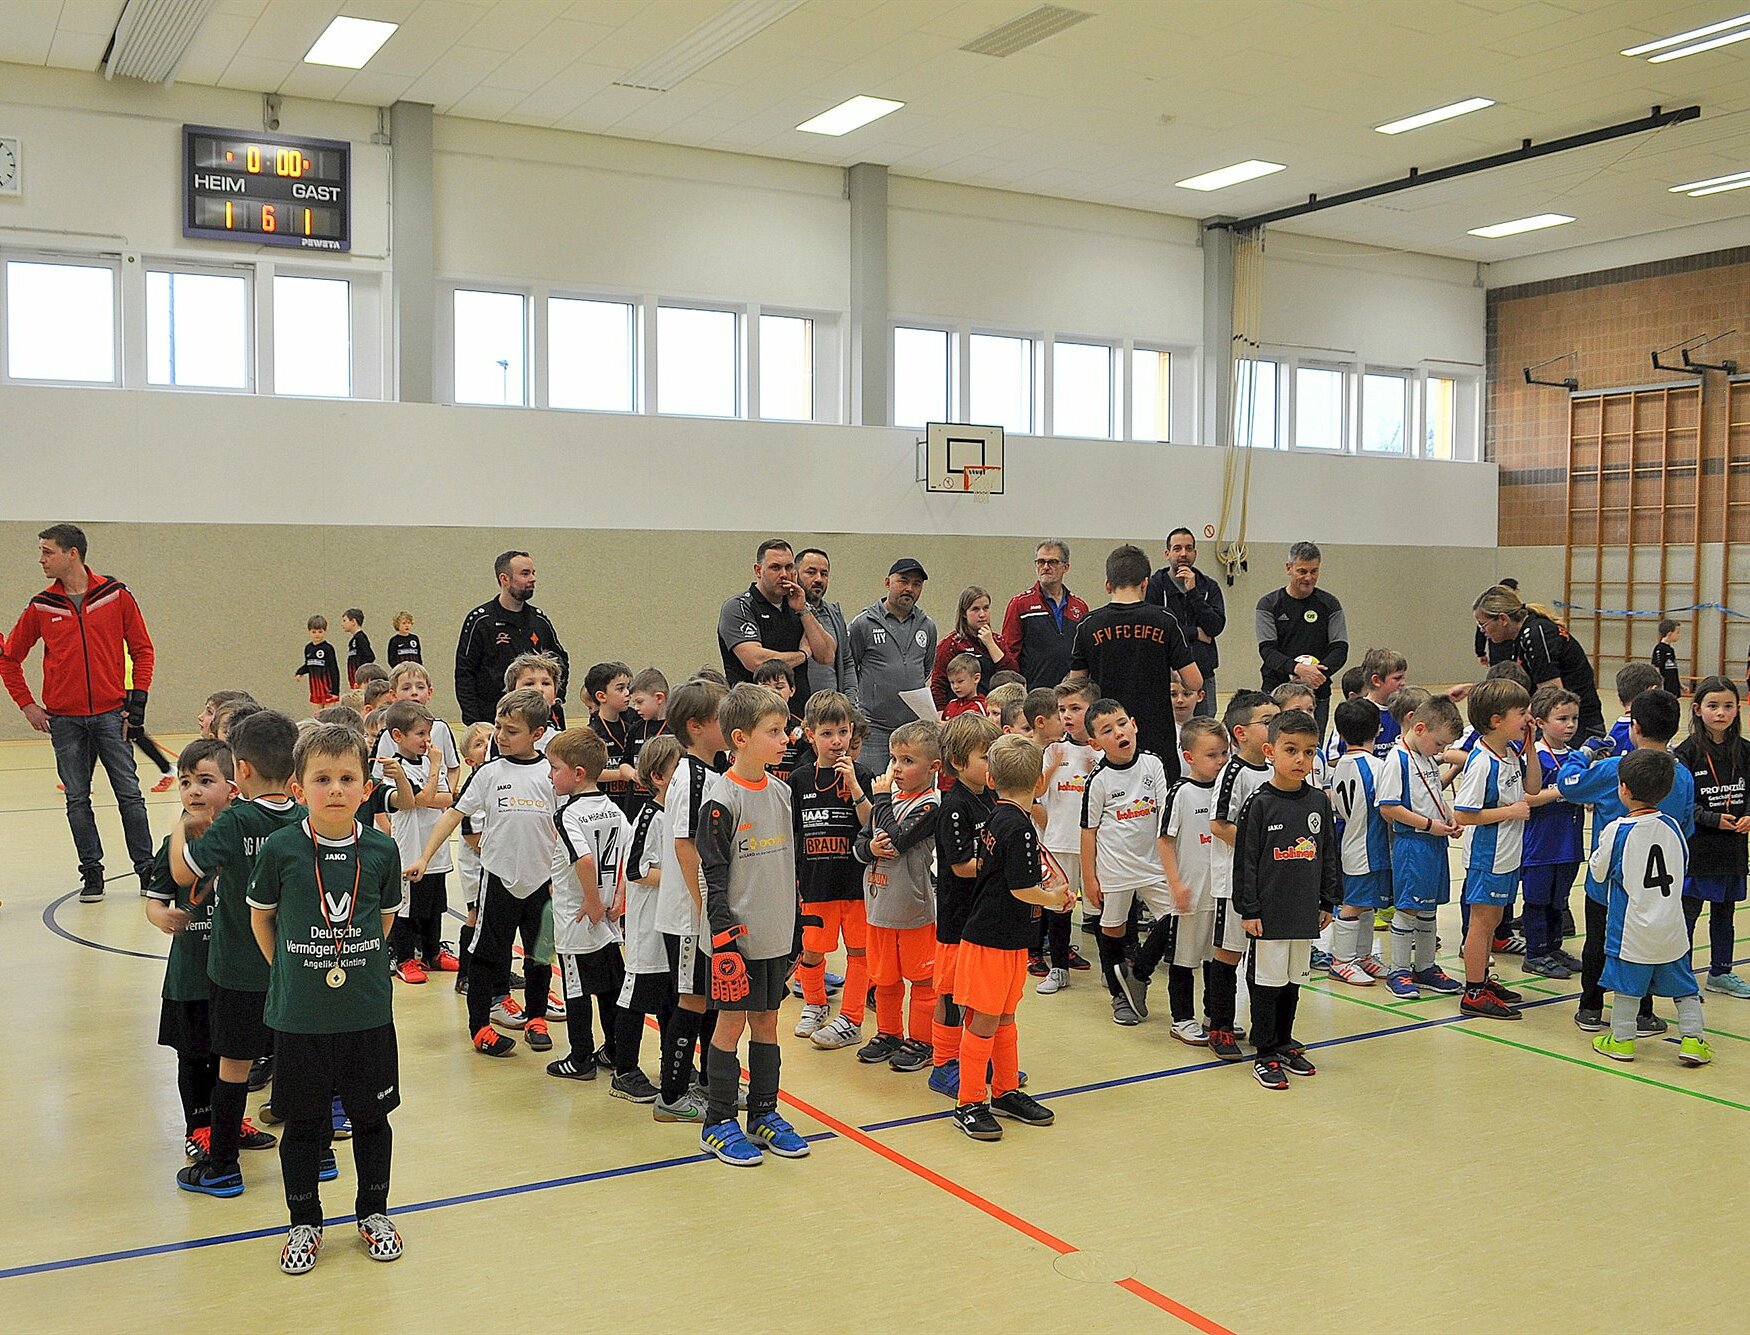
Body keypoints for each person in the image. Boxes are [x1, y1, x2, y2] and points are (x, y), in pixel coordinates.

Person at [248, 723, 404, 1274]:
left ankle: (373, 1212)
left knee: (372, 1118)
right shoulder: (281, 848)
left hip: (365, 1013)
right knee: (303, 1123)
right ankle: (304, 1221)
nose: (335, 789)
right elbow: (261, 919)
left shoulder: (381, 850)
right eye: (322, 779)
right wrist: (292, 972)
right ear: (298, 788)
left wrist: (349, 960)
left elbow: (383, 921)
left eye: (346, 778)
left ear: (366, 788)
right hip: (301, 1017)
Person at [169, 709, 306, 1198]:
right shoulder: (304, 818)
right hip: (294, 967)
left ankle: (223, 1166)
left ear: (241, 770)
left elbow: (183, 874)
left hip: (238, 970)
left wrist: (183, 827)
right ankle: (318, 1156)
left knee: (233, 1066)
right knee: (297, 1061)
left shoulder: (236, 820)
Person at [2, 523, 158, 898]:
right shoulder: (41, 605)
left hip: (111, 715)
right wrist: (27, 705)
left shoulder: (115, 595)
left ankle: (147, 870)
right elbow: (9, 658)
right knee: (77, 799)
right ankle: (92, 873)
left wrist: (136, 705)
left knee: (130, 795)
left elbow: (143, 650)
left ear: (72, 553)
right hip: (65, 722)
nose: (41, 559)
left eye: (47, 552)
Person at [406, 688, 557, 1057]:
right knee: (488, 954)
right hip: (499, 880)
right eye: (499, 728)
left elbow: (563, 829)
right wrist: (425, 857)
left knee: (540, 956)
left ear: (537, 734)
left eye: (511, 731)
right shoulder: (489, 773)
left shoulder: (551, 774)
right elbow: (453, 816)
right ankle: (480, 1027)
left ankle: (536, 1018)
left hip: (541, 883)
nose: (500, 737)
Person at [696, 684, 810, 1166]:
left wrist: (796, 930)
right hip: (735, 944)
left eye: (784, 730)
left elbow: (790, 868)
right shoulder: (720, 799)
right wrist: (724, 941)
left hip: (774, 936)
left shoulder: (782, 793)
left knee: (767, 1021)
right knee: (731, 1023)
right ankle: (719, 1121)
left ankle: (764, 1112)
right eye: (774, 731)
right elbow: (712, 876)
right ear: (740, 738)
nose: (785, 739)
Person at [1557, 688, 1694, 1033]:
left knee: (1598, 943)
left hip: (1607, 883)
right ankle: (1643, 1013)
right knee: (1644, 947)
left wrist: (1582, 754)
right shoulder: (1682, 776)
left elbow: (1569, 785)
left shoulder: (1616, 769)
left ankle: (1591, 1007)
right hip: (1654, 889)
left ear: (1635, 727)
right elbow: (1686, 827)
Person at [950, 733, 1066, 1141]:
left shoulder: (999, 817)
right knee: (984, 1020)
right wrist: (1054, 898)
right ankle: (968, 1102)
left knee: (1004, 1017)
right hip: (990, 940)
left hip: (1010, 938)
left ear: (992, 779)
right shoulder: (1018, 827)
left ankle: (1004, 1091)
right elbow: (1021, 888)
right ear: (1039, 782)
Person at [146, 739, 257, 1166]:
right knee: (194, 1057)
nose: (193, 790)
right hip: (190, 978)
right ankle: (199, 1127)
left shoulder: (244, 838)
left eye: (205, 781)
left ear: (233, 787)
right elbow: (155, 901)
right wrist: (163, 917)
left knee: (230, 1053)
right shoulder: (173, 846)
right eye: (185, 781)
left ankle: (229, 1122)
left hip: (233, 973)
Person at [1234, 709, 1339, 1090]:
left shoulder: (1318, 801)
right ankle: (1264, 1051)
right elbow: (1245, 862)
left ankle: (1283, 1040)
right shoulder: (1259, 803)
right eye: (1291, 750)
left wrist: (1327, 901)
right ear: (1270, 752)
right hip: (1269, 915)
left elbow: (1327, 853)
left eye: (1309, 752)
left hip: (1303, 912)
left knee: (1293, 981)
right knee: (1267, 983)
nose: (1300, 759)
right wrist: (1249, 909)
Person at [1587, 750, 1712, 1068]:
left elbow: (1598, 872)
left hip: (1631, 928)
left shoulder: (1617, 831)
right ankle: (1694, 1040)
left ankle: (1622, 1040)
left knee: (1627, 987)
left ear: (1624, 788)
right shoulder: (1673, 826)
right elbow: (1683, 864)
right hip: (1671, 925)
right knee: (1685, 987)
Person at [651, 678, 728, 1124]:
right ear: (696, 726)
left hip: (702, 914)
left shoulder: (712, 772)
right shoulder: (690, 776)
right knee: (692, 1000)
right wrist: (703, 907)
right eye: (721, 718)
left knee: (710, 999)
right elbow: (685, 844)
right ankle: (672, 1096)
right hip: (688, 917)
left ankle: (706, 1081)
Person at [1079, 698, 1177, 1027]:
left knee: (1177, 917)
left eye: (1122, 724)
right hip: (1115, 868)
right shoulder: (1098, 780)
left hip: (1153, 864)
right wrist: (1089, 878)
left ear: (1134, 725)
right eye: (1107, 730)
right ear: (1095, 743)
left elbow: (1165, 815)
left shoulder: (1152, 764)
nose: (1119, 732)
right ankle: (1119, 997)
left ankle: (1138, 973)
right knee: (1113, 928)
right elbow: (1088, 832)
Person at [1067, 544, 1201, 782]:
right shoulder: (1165, 620)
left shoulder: (1088, 624)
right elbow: (1194, 682)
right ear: (1145, 583)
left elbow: (1076, 686)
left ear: (1108, 585)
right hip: (1156, 736)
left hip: (1107, 735)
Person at [1135, 715, 1229, 1042]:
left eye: (1224, 753)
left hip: (1220, 892)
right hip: (1191, 894)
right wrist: (1175, 884)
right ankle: (1182, 1018)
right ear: (1189, 757)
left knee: (1215, 959)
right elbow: (1164, 841)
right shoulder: (1181, 793)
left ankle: (1214, 1015)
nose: (1220, 760)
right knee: (1184, 959)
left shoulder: (1226, 790)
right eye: (1212, 755)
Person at [856, 719, 943, 1072]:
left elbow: (900, 838)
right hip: (879, 907)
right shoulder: (889, 800)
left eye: (908, 761)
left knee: (922, 981)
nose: (896, 769)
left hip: (913, 911)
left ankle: (923, 1040)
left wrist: (879, 801)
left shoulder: (931, 805)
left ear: (933, 767)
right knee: (885, 980)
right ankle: (889, 1033)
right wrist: (870, 848)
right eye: (894, 760)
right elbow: (861, 844)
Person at [789, 691, 875, 1050]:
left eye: (842, 732)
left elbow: (872, 825)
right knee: (812, 951)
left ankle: (852, 1018)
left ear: (851, 730)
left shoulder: (864, 775)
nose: (836, 741)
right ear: (811, 735)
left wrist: (854, 787)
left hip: (856, 885)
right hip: (816, 884)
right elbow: (793, 833)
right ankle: (815, 1004)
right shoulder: (799, 779)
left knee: (859, 953)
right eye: (827, 733)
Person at [545, 727, 630, 1082]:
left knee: (577, 989)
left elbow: (584, 860)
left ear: (578, 773)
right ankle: (614, 1048)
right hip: (609, 916)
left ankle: (580, 1058)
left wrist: (592, 902)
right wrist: (618, 898)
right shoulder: (612, 809)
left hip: (577, 918)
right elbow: (628, 854)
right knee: (610, 986)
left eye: (555, 768)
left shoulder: (568, 815)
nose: (550, 775)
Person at [1453, 679, 1540, 1020]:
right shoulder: (1482, 762)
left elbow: (1533, 787)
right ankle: (1474, 991)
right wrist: (1509, 812)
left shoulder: (1510, 753)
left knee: (1496, 918)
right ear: (1496, 720)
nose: (1528, 719)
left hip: (1507, 852)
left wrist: (1531, 748)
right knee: (1482, 921)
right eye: (1521, 713)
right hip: (1487, 855)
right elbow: (1463, 814)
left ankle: (1483, 979)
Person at [1375, 692, 1464, 999]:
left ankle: (1425, 967)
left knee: (1428, 907)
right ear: (1420, 728)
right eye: (1439, 744)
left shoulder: (1426, 758)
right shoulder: (1397, 759)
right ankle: (1398, 970)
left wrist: (1449, 818)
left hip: (1434, 842)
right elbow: (1389, 807)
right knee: (1409, 907)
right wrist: (1428, 825)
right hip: (1413, 844)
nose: (1442, 750)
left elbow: (1433, 794)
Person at [930, 712, 1001, 1100]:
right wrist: (1004, 866)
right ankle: (943, 1063)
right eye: (985, 756)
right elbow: (960, 865)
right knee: (950, 994)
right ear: (958, 762)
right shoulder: (954, 806)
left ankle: (975, 1057)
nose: (992, 763)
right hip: (957, 917)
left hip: (983, 916)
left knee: (978, 994)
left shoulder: (992, 799)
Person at [611, 734, 683, 1103]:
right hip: (648, 926)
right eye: (678, 770)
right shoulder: (650, 817)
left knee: (673, 998)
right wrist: (682, 879)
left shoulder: (681, 815)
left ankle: (672, 1063)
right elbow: (637, 870)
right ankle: (624, 1070)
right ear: (658, 776)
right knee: (637, 998)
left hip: (674, 923)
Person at [1207, 691, 1278, 1059]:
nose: (1276, 726)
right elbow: (1219, 824)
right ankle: (1219, 1024)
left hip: (1268, 881)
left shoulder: (1276, 769)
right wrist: (1259, 850)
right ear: (1241, 732)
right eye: (1267, 721)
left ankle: (1265, 1028)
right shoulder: (1233, 772)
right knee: (1228, 953)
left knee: (1262, 956)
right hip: (1233, 882)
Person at [1673, 677, 1750, 999]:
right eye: (1713, 706)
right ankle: (1682, 977)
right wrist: (1712, 818)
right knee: (1688, 915)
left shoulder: (1745, 751)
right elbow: (1683, 803)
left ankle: (1721, 972)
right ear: (1697, 709)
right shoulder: (1686, 753)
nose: (1721, 713)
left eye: (1728, 706)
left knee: (1725, 913)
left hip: (1732, 849)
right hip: (1699, 849)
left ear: (1738, 709)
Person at [376, 701, 455, 985]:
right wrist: (435, 768)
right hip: (410, 847)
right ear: (398, 736)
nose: (427, 740)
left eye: (429, 733)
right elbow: (420, 799)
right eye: (420, 734)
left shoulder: (429, 763)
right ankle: (405, 958)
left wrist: (430, 790)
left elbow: (447, 798)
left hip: (435, 848)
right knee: (407, 908)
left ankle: (433, 952)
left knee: (434, 904)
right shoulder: (395, 768)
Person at [1473, 585, 1605, 740]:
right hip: (1562, 721)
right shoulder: (1523, 635)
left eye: (1483, 624)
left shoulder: (1536, 635)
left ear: (1503, 619)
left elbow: (1553, 695)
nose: (1482, 631)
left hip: (1578, 725)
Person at [454, 551, 569, 725]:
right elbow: (465, 673)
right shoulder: (481, 620)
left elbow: (560, 662)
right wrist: (474, 721)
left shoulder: (539, 620)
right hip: (494, 718)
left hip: (538, 717)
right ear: (504, 579)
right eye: (525, 573)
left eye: (533, 573)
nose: (533, 579)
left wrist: (556, 697)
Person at [846, 558, 938, 771]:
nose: (910, 588)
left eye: (916, 584)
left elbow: (925, 669)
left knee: (912, 786)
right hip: (873, 729)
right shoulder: (863, 623)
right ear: (887, 583)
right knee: (871, 783)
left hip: (913, 729)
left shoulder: (928, 626)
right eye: (903, 581)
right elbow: (850, 668)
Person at [717, 539, 836, 699]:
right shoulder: (739, 607)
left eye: (789, 567)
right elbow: (756, 661)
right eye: (775, 567)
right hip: (752, 707)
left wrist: (803, 610)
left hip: (796, 708)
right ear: (758, 570)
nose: (784, 574)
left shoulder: (799, 605)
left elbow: (827, 655)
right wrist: (802, 655)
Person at [1326, 699, 1392, 987]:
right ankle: (1341, 961)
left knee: (1367, 904)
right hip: (1367, 846)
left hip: (1352, 842)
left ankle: (1362, 955)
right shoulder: (1378, 767)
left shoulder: (1339, 766)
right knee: (1353, 904)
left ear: (1341, 734)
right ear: (1378, 729)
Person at [1521, 686, 1587, 978]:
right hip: (1541, 844)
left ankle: (1553, 947)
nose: (1570, 725)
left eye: (1574, 718)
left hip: (1569, 843)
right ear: (1540, 722)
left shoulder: (1576, 757)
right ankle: (1535, 953)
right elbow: (1526, 797)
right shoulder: (1535, 756)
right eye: (1562, 719)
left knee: (1559, 900)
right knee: (1538, 899)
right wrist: (1563, 790)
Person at [1255, 541, 1347, 736]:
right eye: (1302, 571)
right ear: (1289, 568)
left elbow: (1340, 648)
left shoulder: (1330, 604)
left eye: (1314, 571)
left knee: (1312, 743)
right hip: (1277, 689)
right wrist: (1296, 669)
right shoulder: (1269, 604)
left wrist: (1316, 674)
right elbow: (1267, 650)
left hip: (1317, 690)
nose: (1308, 577)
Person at [1145, 528, 1226, 716]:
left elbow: (1215, 626)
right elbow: (1154, 627)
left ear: (1195, 553)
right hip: (1166, 674)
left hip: (1203, 673)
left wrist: (1193, 592)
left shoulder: (1209, 586)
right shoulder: (1155, 586)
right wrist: (1195, 633)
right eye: (1177, 548)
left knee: (1204, 726)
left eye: (1189, 548)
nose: (1183, 554)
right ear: (1167, 554)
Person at [999, 541, 1089, 690]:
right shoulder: (1020, 604)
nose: (1045, 567)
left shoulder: (1080, 607)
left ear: (1066, 567)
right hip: (1033, 692)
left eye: (1052, 562)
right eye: (1041, 562)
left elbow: (1084, 654)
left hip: (1070, 693)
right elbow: (1010, 653)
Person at [930, 586, 1019, 707]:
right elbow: (938, 684)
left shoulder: (997, 640)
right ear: (964, 613)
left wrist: (990, 643)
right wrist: (940, 711)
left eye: (986, 608)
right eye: (975, 609)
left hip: (991, 709)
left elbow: (1012, 676)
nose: (982, 614)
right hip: (961, 710)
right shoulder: (951, 644)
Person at [585, 661, 650, 819]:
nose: (628, 693)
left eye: (628, 687)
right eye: (620, 689)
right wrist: (622, 774)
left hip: (633, 803)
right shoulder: (592, 732)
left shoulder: (636, 721)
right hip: (607, 807)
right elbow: (590, 773)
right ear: (601, 696)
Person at [796, 547, 858, 697]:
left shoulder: (834, 613)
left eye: (824, 574)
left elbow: (847, 662)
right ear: (795, 574)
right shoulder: (785, 612)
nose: (818, 579)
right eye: (811, 572)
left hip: (831, 706)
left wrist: (849, 703)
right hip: (794, 705)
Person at [941, 653, 988, 720]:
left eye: (960, 681)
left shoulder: (979, 706)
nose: (955, 686)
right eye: (952, 682)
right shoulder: (951, 704)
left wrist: (945, 725)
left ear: (976, 678)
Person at [341, 609, 374, 689]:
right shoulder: (353, 640)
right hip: (353, 680)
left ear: (353, 621)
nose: (342, 624)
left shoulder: (361, 638)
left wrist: (362, 674)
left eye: (345, 621)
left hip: (360, 681)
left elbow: (370, 656)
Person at [1653, 620, 1683, 698]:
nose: (1679, 635)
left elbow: (1674, 670)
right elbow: (1657, 668)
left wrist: (1680, 685)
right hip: (1665, 687)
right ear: (1670, 634)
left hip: (1673, 687)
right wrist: (1659, 686)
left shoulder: (1671, 650)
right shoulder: (1659, 648)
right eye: (1677, 632)